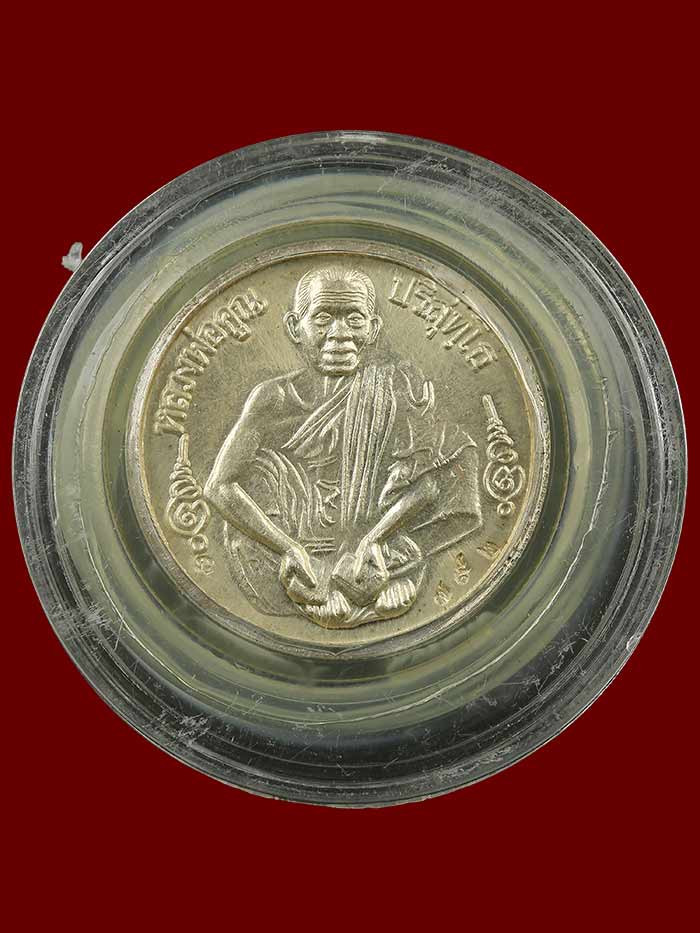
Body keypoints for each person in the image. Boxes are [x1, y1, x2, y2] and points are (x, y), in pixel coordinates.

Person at [204, 265, 482, 629]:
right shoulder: (273, 398)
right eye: (323, 318)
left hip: (374, 545)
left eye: (354, 319)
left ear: (374, 329)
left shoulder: (394, 387)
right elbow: (219, 486)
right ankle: (312, 582)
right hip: (293, 538)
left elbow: (428, 486)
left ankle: (384, 574)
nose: (339, 334)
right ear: (295, 328)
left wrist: (373, 540)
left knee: (442, 457)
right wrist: (289, 548)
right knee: (261, 472)